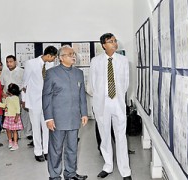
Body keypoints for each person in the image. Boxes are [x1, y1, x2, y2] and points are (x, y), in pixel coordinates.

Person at [88, 33, 132, 180]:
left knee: (121, 136)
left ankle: (125, 171)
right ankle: (107, 166)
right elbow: (92, 84)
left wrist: (116, 96)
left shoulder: (123, 60)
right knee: (105, 135)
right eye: (111, 41)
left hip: (117, 102)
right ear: (103, 45)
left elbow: (125, 83)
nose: (114, 43)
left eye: (115, 41)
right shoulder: (95, 61)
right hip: (102, 103)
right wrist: (100, 97)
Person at [42, 45, 88, 180]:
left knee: (72, 148)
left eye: (74, 54)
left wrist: (84, 113)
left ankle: (70, 173)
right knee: (56, 149)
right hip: (57, 118)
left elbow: (82, 96)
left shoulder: (78, 73)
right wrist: (48, 118)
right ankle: (55, 176)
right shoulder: (51, 73)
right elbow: (46, 96)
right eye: (70, 54)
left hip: (74, 117)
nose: (74, 56)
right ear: (61, 58)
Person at [22, 46, 57, 162]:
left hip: (47, 101)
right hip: (34, 101)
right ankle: (38, 151)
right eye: (54, 57)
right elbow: (24, 83)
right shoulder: (31, 63)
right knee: (36, 127)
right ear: (49, 55)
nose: (54, 60)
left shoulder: (51, 65)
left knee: (47, 126)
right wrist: (24, 100)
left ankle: (46, 151)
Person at [0, 55, 32, 140]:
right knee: (12, 115)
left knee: (24, 114)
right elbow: (2, 85)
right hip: (8, 96)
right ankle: (16, 134)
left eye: (10, 62)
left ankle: (28, 133)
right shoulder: (4, 72)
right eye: (7, 62)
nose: (9, 64)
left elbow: (25, 84)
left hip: (20, 94)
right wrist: (2, 94)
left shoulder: (22, 71)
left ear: (15, 62)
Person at [0, 83, 23, 151]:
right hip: (8, 117)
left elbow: (18, 108)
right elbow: (4, 105)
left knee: (14, 131)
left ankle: (15, 143)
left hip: (14, 117)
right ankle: (10, 142)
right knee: (8, 130)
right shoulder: (7, 98)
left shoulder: (16, 98)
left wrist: (17, 117)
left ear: (10, 91)